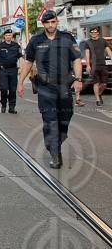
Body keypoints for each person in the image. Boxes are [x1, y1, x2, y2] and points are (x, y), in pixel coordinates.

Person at [17, 10, 82, 169]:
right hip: (45, 88)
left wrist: (78, 79)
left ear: (57, 22)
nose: (51, 25)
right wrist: (20, 82)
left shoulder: (67, 38)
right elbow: (28, 62)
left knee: (65, 118)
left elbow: (77, 59)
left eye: (53, 22)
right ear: (43, 24)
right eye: (47, 22)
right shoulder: (36, 40)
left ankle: (57, 143)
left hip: (64, 86)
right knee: (50, 120)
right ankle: (55, 154)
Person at [0, 29, 23, 114]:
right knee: (3, 88)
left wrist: (21, 68)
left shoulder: (16, 46)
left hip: (13, 70)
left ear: (12, 36)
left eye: (10, 35)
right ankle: (4, 105)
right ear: (4, 37)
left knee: (13, 90)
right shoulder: (0, 46)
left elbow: (20, 57)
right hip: (3, 70)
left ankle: (12, 107)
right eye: (7, 35)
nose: (8, 36)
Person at [84, 26, 112, 106]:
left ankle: (99, 94)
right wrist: (88, 65)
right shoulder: (88, 42)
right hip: (94, 66)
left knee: (104, 84)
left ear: (98, 33)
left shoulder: (103, 41)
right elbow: (87, 54)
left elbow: (108, 51)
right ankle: (97, 100)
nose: (93, 33)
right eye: (92, 32)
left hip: (103, 64)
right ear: (90, 33)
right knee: (96, 83)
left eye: (95, 32)